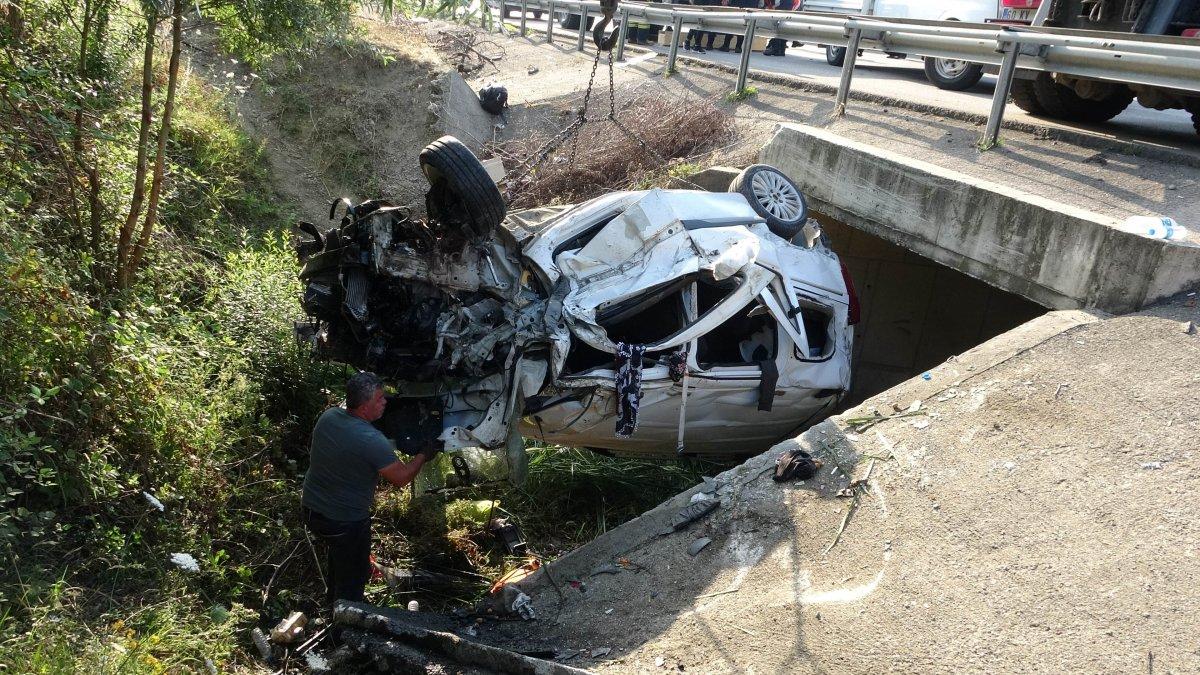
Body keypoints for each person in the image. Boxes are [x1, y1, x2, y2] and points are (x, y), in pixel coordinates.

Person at [302, 371, 436, 605]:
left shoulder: (329, 416)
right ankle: (346, 623)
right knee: (353, 577)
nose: (386, 401)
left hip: (313, 510)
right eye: (380, 399)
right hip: (345, 522)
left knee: (339, 560)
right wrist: (424, 454)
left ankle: (332, 604)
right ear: (364, 407)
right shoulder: (370, 439)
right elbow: (401, 477)